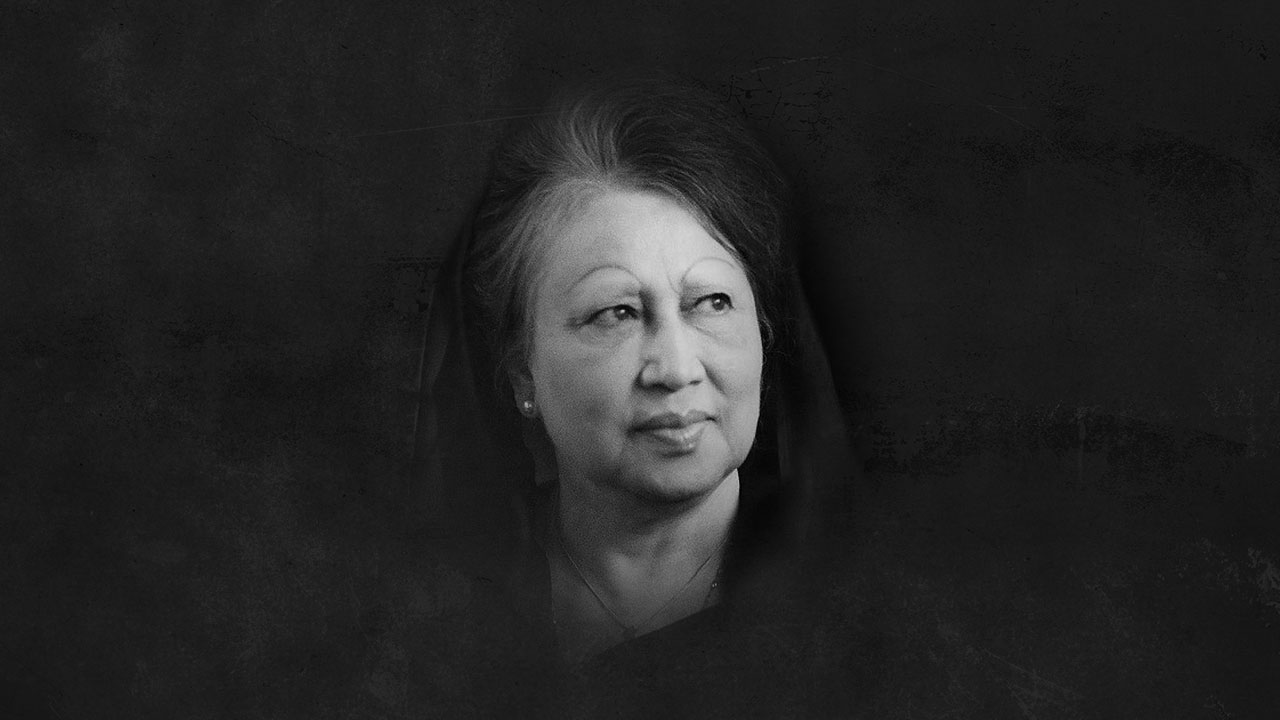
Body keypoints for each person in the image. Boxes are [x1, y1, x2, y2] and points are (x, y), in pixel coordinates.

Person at [409, 77, 867, 716]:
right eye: (616, 312)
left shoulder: (871, 606)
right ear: (522, 375)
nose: (676, 370)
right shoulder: (423, 618)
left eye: (712, 303)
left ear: (762, 337)